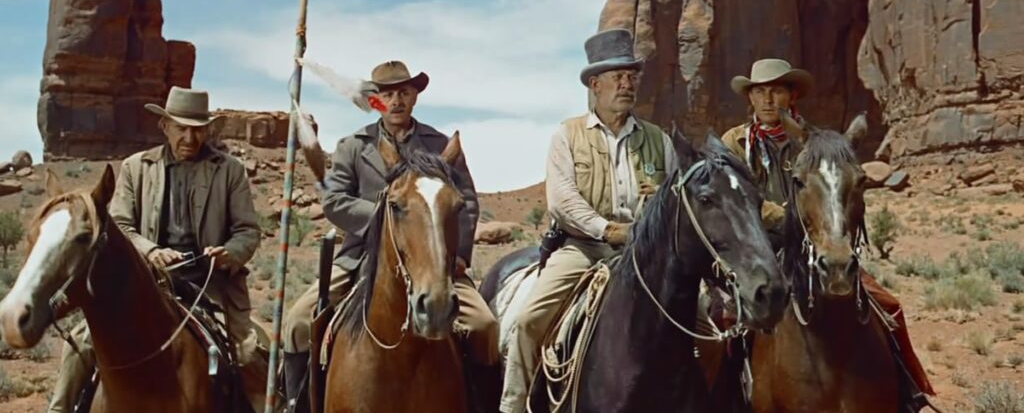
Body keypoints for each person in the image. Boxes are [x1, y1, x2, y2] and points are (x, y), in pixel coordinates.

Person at [281, 61, 500, 412]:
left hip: (433, 258)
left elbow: (467, 202)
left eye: (404, 92)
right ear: (375, 100)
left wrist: (457, 255)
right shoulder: (353, 146)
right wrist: (391, 222)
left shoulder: (439, 145)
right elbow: (335, 201)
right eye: (387, 94)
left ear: (414, 97)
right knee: (298, 322)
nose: (396, 101)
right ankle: (297, 404)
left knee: (485, 327)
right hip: (361, 257)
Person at [722, 58, 935, 411]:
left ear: (792, 95)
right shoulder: (736, 142)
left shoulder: (817, 143)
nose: (769, 100)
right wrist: (786, 216)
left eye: (777, 91)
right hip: (758, 246)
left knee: (888, 306)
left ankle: (909, 391)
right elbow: (738, 195)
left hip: (814, 243)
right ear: (751, 98)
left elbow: (836, 192)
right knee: (728, 317)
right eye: (760, 92)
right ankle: (727, 396)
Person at [48, 86, 262, 412]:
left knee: (248, 353)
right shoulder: (137, 167)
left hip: (210, 283)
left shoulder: (229, 170)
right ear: (165, 127)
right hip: (144, 282)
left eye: (198, 129)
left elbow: (247, 230)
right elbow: (118, 226)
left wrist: (229, 253)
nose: (190, 137)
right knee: (81, 343)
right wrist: (150, 252)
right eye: (181, 128)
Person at [500, 29, 678, 413]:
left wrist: (649, 236)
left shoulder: (658, 140)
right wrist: (608, 230)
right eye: (618, 77)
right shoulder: (568, 135)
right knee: (531, 319)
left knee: (700, 319)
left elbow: (673, 198)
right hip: (583, 247)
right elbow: (562, 200)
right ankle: (513, 405)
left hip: (646, 254)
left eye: (631, 76)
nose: (627, 84)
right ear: (595, 84)